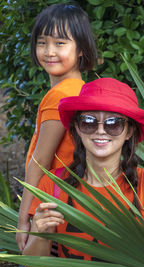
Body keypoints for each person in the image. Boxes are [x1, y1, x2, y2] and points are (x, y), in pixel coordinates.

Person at [21, 77, 144, 267]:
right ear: (78, 129)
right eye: (89, 121)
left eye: (114, 123)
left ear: (129, 132)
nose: (100, 131)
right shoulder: (53, 186)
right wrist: (41, 233)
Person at [16, 3, 97, 252]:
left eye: (60, 43)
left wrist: (22, 220)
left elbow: (40, 161)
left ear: (81, 49)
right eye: (42, 42)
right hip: (73, 204)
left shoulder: (60, 96)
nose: (49, 51)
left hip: (52, 207)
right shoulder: (81, 89)